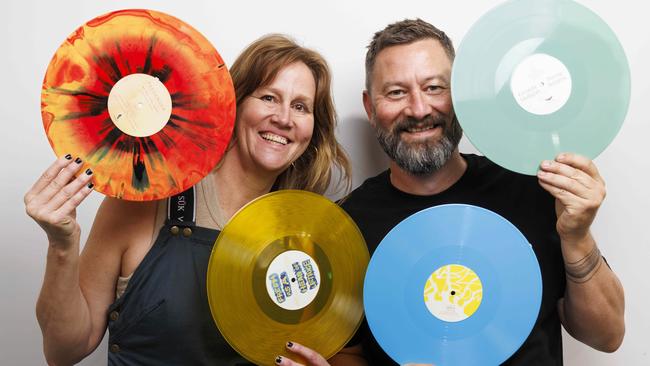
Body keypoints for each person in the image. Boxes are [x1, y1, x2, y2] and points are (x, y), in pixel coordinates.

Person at [25, 34, 364, 365]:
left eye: (301, 107)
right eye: (268, 98)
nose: (284, 118)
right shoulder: (148, 200)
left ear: (312, 130)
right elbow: (64, 351)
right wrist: (62, 245)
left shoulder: (307, 241)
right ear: (235, 102)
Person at [341, 19, 625, 364]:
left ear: (460, 93)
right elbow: (346, 352)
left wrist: (577, 236)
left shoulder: (528, 186)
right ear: (371, 108)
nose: (418, 109)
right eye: (397, 92)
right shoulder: (348, 226)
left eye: (434, 87)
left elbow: (607, 336)